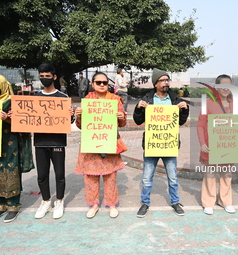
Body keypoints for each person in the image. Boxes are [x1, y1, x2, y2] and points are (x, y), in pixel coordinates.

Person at [133, 68, 189, 217]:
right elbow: (138, 121)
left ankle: (175, 202)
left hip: (169, 144)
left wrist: (184, 110)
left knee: (172, 177)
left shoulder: (175, 99)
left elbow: (181, 122)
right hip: (152, 144)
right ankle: (145, 203)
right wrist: (138, 108)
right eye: (163, 80)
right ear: (155, 83)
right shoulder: (147, 99)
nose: (166, 82)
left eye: (167, 80)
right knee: (146, 177)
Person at [74, 72, 126, 218]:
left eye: (104, 82)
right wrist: (78, 116)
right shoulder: (87, 100)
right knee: (90, 177)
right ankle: (94, 205)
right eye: (98, 82)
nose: (102, 85)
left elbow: (121, 124)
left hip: (109, 143)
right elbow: (80, 125)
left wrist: (122, 117)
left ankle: (112, 204)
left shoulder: (115, 100)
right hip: (91, 143)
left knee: (110, 177)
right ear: (92, 84)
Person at [197, 75, 238, 215]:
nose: (225, 88)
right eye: (222, 85)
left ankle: (225, 201)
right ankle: (208, 202)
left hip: (227, 144)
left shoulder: (234, 103)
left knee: (226, 173)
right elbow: (200, 125)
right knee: (210, 174)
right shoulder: (208, 103)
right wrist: (202, 143)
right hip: (211, 145)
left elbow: (236, 125)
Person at [34, 63, 75, 219]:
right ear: (39, 76)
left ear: (54, 77)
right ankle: (45, 202)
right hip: (40, 142)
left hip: (57, 142)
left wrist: (71, 115)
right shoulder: (35, 98)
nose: (45, 78)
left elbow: (69, 121)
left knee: (59, 174)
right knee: (42, 175)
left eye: (48, 76)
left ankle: (59, 201)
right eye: (42, 76)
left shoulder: (63, 98)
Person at [0, 75, 34, 223]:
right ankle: (1, 204)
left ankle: (13, 205)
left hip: (10, 142)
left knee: (11, 170)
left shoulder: (13, 102)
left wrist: (6, 118)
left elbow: (23, 122)